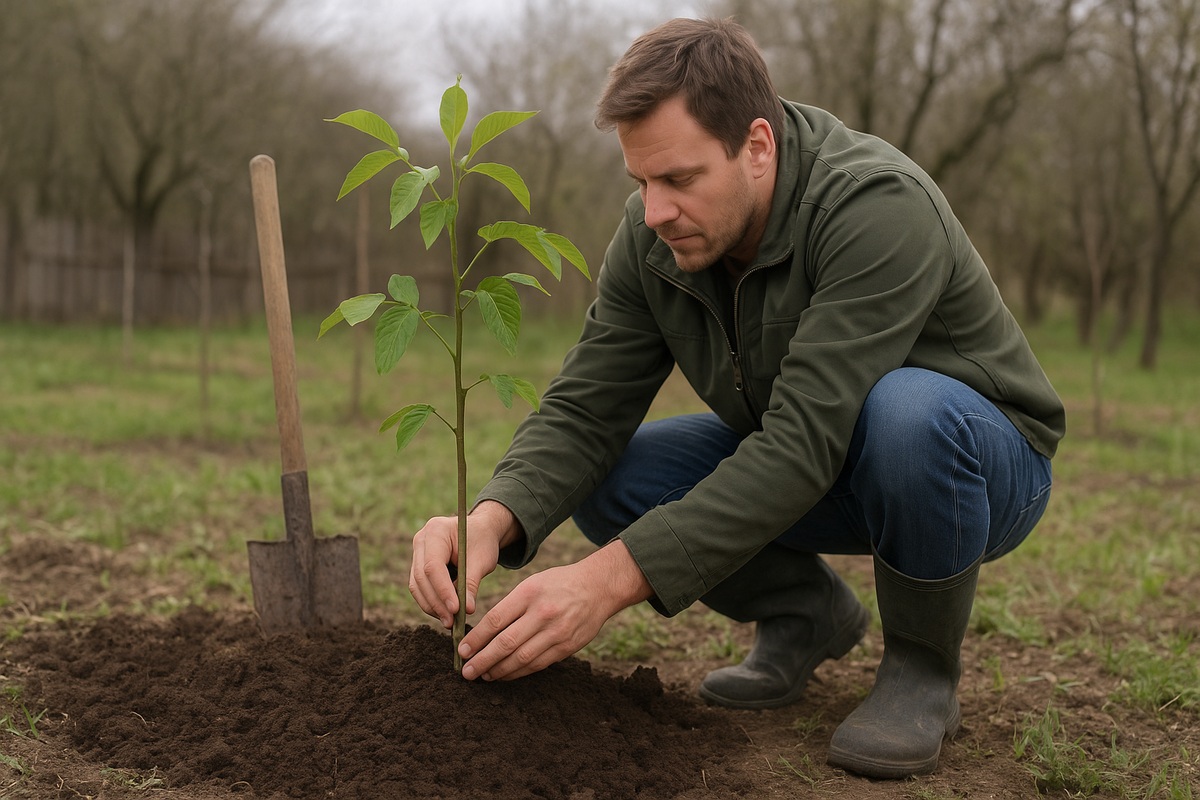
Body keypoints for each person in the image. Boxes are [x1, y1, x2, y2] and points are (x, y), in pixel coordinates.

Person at [408, 17, 1065, 779]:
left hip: (976, 467)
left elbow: (803, 441)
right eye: (641, 183)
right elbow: (588, 407)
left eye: (680, 180)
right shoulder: (652, 237)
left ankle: (921, 673)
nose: (655, 211)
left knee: (907, 412)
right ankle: (803, 614)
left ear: (757, 146)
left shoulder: (876, 206)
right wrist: (493, 514)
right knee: (619, 475)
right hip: (823, 461)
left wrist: (607, 580)